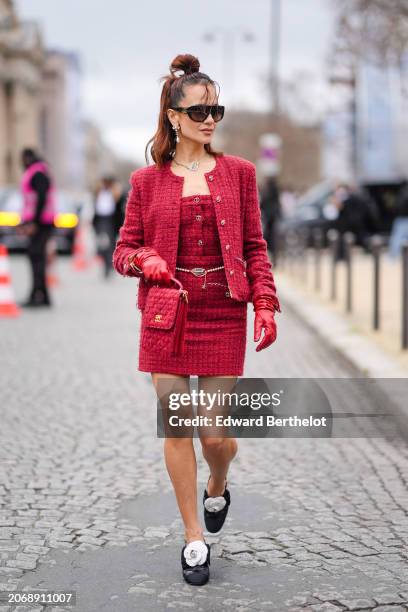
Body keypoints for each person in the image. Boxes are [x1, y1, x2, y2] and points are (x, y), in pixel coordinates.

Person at [112, 54, 281, 586]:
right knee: (177, 425)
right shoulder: (146, 181)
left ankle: (218, 484)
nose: (211, 119)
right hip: (167, 314)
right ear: (173, 116)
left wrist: (267, 303)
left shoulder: (239, 174)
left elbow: (255, 246)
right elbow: (123, 251)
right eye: (200, 110)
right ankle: (193, 538)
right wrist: (145, 261)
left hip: (222, 312)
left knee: (214, 434)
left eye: (217, 109)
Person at [17, 148, 56, 307]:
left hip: (41, 223)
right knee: (37, 257)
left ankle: (38, 296)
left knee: (36, 258)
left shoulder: (37, 173)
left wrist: (33, 222)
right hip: (41, 221)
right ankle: (42, 295)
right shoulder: (39, 171)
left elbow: (41, 199)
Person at [92, 176, 125, 278]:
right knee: (101, 245)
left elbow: (120, 206)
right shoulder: (99, 193)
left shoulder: (115, 194)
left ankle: (108, 265)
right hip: (100, 220)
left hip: (111, 221)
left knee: (109, 245)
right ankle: (106, 264)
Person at [260, 177, 281, 260]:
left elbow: (263, 204)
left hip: (269, 219)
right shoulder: (275, 193)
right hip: (273, 218)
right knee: (272, 238)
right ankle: (273, 257)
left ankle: (269, 256)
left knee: (268, 238)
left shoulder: (267, 193)